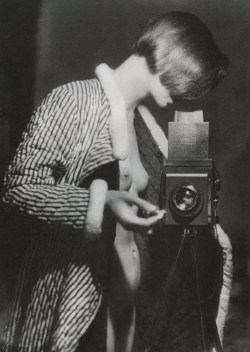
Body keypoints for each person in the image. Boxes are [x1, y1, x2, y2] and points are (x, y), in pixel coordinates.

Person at [1, 11, 231, 352]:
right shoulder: (73, 100)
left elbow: (175, 220)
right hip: (76, 305)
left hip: (129, 314)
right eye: (194, 80)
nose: (190, 95)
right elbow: (17, 188)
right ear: (175, 56)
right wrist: (99, 204)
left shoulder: (143, 125)